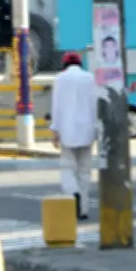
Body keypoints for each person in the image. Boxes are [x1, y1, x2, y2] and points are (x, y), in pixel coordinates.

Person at [49, 52, 97, 220]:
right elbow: (94, 105)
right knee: (84, 171)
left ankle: (72, 193)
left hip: (67, 130)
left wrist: (55, 130)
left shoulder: (60, 79)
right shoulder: (90, 78)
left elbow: (56, 107)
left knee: (67, 168)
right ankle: (83, 209)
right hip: (87, 130)